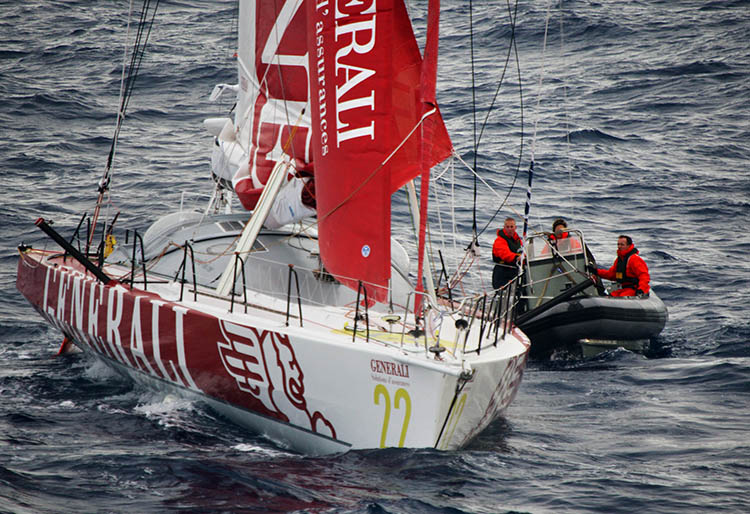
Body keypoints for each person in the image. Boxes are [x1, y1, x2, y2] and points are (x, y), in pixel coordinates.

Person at [492, 217, 522, 289]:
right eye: (507, 227)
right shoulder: (500, 240)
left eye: (511, 227)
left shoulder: (517, 240)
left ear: (515, 227)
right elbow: (505, 255)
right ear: (504, 227)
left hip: (515, 271)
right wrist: (517, 258)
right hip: (502, 272)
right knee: (503, 294)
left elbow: (522, 250)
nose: (510, 229)